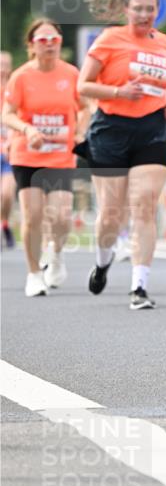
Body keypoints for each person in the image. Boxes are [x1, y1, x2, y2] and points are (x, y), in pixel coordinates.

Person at [76, 0, 166, 310]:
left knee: (144, 205)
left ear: (157, 11)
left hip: (152, 130)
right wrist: (119, 92)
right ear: (126, 10)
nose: (144, 14)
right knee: (110, 214)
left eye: (150, 9)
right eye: (138, 9)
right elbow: (83, 85)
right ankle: (102, 262)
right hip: (110, 130)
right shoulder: (109, 39)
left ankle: (139, 287)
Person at [2, 20, 89, 296]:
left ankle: (56, 254)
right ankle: (33, 274)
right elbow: (7, 114)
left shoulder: (71, 73)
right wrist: (28, 129)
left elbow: (85, 108)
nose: (49, 44)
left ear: (60, 43)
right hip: (27, 154)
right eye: (42, 40)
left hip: (60, 155)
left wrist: (80, 132)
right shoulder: (21, 76)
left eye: (54, 39)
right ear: (32, 45)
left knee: (61, 215)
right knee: (33, 215)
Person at [0, 51, 17, 248]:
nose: (2, 69)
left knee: (6, 193)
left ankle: (4, 223)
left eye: (6, 64)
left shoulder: (14, 88)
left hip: (10, 151)